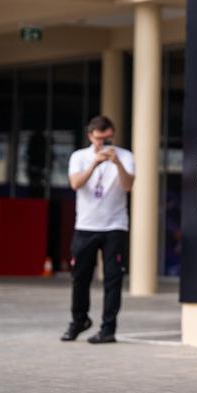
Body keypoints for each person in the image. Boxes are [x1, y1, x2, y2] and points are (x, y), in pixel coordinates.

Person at [61, 116, 135, 344]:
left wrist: (117, 164)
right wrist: (94, 163)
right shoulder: (79, 157)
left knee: (113, 279)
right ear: (90, 136)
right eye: (99, 138)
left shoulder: (125, 156)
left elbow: (128, 185)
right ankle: (79, 321)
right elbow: (75, 184)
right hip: (86, 225)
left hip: (115, 226)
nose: (103, 142)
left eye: (107, 138)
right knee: (80, 278)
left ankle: (108, 328)